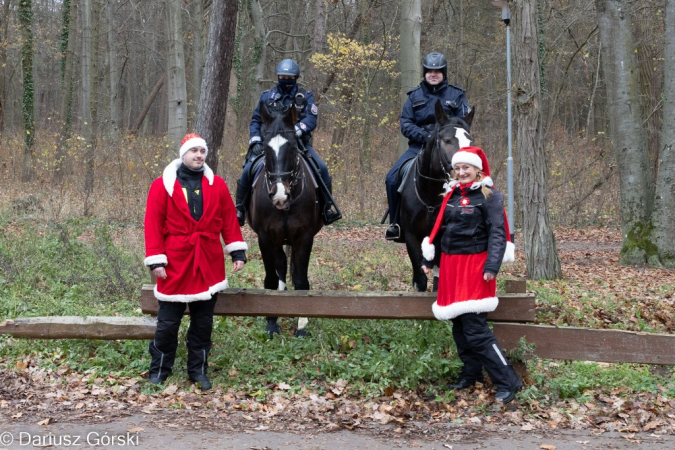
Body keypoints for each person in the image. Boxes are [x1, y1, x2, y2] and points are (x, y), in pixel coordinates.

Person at [144, 133, 248, 390]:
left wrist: (236, 251)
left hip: (208, 262)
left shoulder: (218, 185)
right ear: (184, 154)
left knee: (203, 324)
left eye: (202, 151)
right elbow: (153, 224)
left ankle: (198, 371)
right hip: (175, 263)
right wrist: (156, 260)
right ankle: (159, 370)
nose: (199, 155)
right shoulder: (162, 185)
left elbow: (228, 219)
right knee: (168, 324)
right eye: (194, 151)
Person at [420, 146, 521, 403]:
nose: (462, 172)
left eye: (467, 167)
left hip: (476, 267)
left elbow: (498, 232)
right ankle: (471, 374)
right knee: (459, 325)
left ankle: (508, 381)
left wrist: (492, 266)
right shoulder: (450, 194)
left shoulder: (490, 196)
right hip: (451, 267)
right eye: (458, 167)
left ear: (478, 170)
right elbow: (440, 229)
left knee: (476, 328)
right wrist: (427, 258)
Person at [235, 58, 341, 226]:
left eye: (289, 77)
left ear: (296, 78)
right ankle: (240, 208)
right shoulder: (267, 97)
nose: (285, 80)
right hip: (270, 146)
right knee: (248, 170)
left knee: (322, 168)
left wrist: (295, 131)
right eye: (282, 76)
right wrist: (255, 140)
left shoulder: (305, 97)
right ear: (277, 77)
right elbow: (256, 120)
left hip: (298, 145)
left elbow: (311, 119)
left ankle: (327, 208)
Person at [385, 52, 471, 240]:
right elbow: (406, 123)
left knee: (472, 177)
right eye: (430, 71)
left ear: (444, 73)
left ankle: (472, 223)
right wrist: (425, 136)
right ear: (424, 73)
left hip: (450, 148)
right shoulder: (414, 96)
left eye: (438, 71)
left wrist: (447, 137)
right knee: (391, 178)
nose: (433, 74)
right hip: (419, 147)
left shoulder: (457, 95)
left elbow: (465, 122)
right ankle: (396, 223)